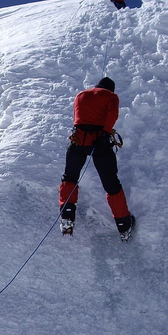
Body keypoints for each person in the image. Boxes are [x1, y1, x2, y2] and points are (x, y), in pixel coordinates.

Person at [58, 77, 135, 240]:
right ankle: (124, 226)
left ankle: (67, 218)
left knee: (70, 178)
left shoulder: (80, 95)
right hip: (100, 143)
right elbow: (112, 115)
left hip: (77, 141)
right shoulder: (111, 97)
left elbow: (78, 117)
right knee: (112, 184)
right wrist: (105, 133)